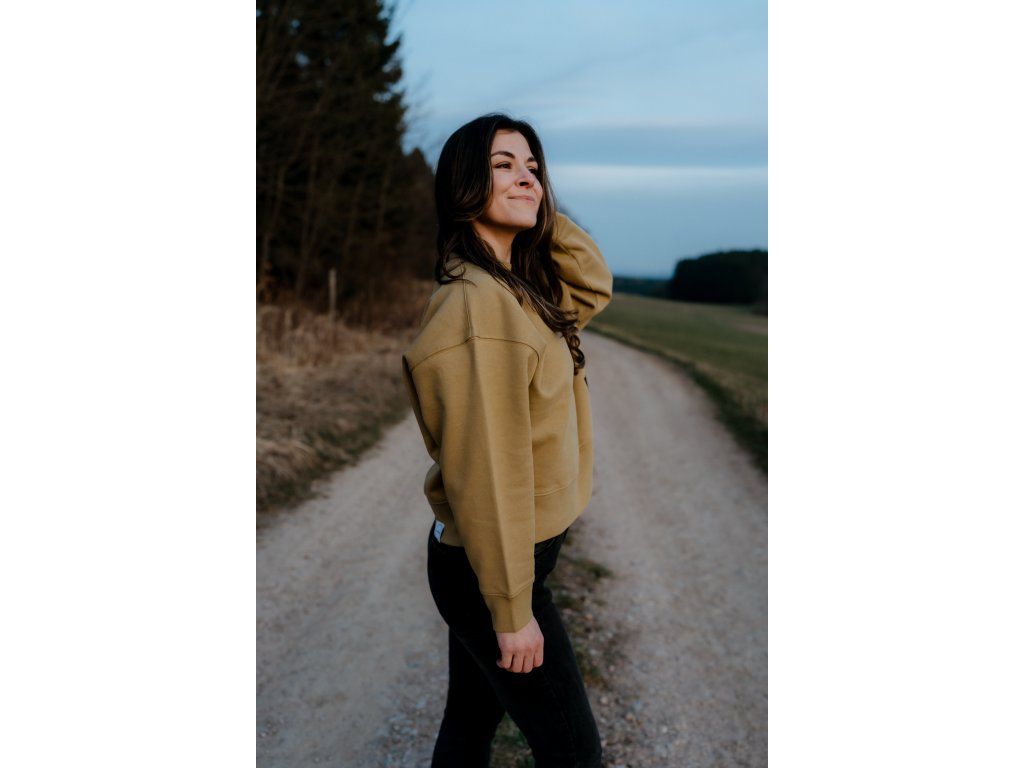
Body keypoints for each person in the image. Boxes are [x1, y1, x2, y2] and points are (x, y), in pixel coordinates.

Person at [401, 112, 613, 767]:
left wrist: (542, 215)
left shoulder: (518, 289)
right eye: (503, 166)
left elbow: (592, 284)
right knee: (574, 755)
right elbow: (488, 474)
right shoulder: (478, 312)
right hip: (490, 568)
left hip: (501, 560)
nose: (528, 179)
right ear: (465, 184)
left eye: (534, 168)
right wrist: (512, 609)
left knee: (470, 723)